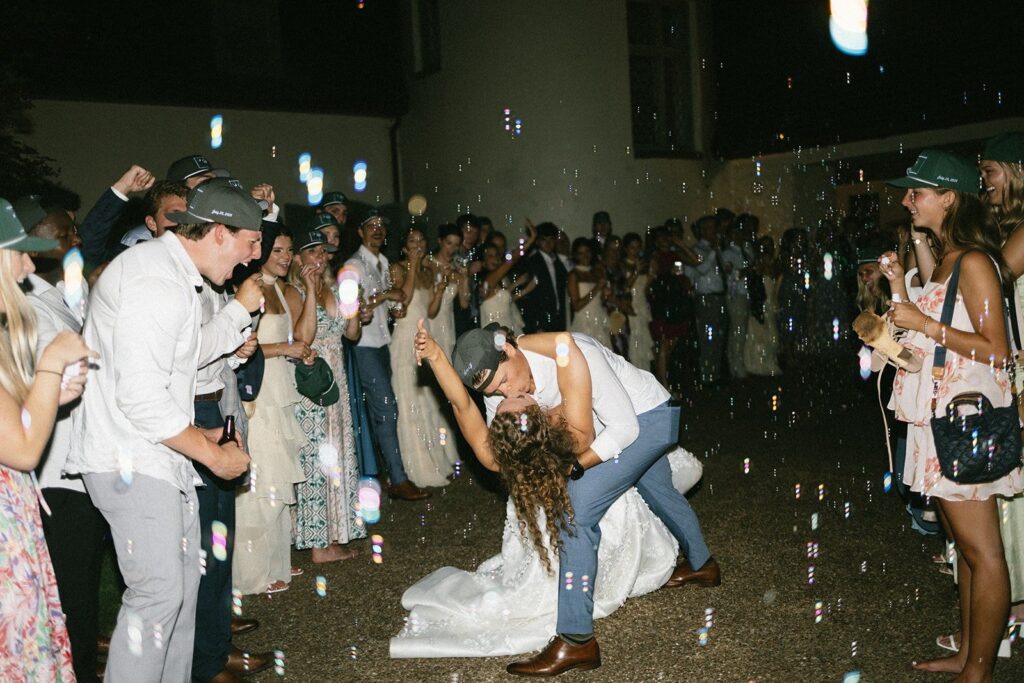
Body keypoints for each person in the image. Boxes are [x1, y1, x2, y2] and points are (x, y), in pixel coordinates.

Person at [394, 320, 701, 664]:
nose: (506, 395)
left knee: (575, 515)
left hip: (648, 416)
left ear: (509, 350)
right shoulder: (510, 402)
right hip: (609, 428)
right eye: (496, 392)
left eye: (506, 381)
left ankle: (576, 639)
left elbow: (625, 428)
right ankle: (703, 564)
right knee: (656, 488)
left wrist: (438, 354)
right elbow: (465, 406)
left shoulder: (571, 359)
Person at [64, 182, 258, 681]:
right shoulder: (154, 277)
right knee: (156, 595)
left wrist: (203, 441)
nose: (249, 258)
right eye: (248, 243)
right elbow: (141, 395)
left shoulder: (175, 275)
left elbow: (184, 358)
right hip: (127, 458)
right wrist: (214, 457)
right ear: (218, 232)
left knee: (181, 594)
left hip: (159, 458)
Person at [882, 149, 1023, 679]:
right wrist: (900, 293)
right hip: (939, 417)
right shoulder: (947, 258)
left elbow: (995, 348)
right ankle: (969, 651)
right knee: (963, 550)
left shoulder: (977, 261)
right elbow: (932, 325)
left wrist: (924, 321)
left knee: (983, 553)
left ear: (949, 197)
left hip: (966, 421)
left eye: (916, 191)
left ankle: (979, 671)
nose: (905, 200)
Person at [0, 199, 94, 681]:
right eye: (20, 253)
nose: (31, 265)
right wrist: (52, 364)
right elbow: (20, 448)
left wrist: (50, 394)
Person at [234, 226, 312, 595]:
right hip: (257, 395)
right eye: (277, 250)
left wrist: (296, 348)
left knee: (278, 475)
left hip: (281, 390)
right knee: (260, 478)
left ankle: (275, 560)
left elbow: (299, 337)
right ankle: (250, 573)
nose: (285, 257)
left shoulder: (280, 288)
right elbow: (237, 349)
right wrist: (284, 348)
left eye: (288, 250)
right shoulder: (251, 288)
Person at [290, 229, 368, 562]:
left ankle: (336, 531)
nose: (321, 259)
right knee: (315, 457)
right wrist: (309, 290)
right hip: (310, 383)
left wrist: (353, 309)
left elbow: (351, 334)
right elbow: (302, 337)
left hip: (337, 379)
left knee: (336, 455)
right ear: (298, 257)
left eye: (324, 252)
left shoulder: (334, 288)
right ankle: (317, 543)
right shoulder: (292, 292)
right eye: (313, 252)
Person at [344, 209, 430, 501]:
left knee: (382, 411)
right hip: (364, 345)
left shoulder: (381, 263)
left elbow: (396, 302)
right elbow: (349, 308)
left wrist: (391, 308)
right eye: (371, 226)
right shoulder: (354, 265)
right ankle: (398, 478)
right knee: (386, 407)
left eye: (381, 226)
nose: (378, 230)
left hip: (383, 341)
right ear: (360, 232)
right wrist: (379, 299)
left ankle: (384, 474)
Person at [388, 227, 459, 486]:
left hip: (423, 337)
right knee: (408, 402)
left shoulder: (429, 273)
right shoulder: (397, 269)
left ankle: (435, 459)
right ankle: (416, 468)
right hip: (404, 339)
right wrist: (413, 266)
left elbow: (430, 311)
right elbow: (402, 302)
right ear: (404, 246)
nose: (417, 244)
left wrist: (439, 291)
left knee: (427, 400)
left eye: (421, 239)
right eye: (412, 240)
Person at [685, 216, 727, 386]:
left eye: (714, 228)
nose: (713, 232)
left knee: (719, 337)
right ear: (701, 230)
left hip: (720, 296)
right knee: (707, 337)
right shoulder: (698, 249)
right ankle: (706, 374)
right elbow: (701, 269)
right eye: (708, 228)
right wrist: (713, 252)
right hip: (706, 298)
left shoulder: (715, 250)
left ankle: (715, 372)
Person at [479, 222, 535, 334]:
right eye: (490, 256)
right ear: (483, 262)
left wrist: (522, 288)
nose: (495, 259)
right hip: (495, 331)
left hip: (508, 326)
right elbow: (513, 259)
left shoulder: (501, 279)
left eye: (497, 255)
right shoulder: (489, 279)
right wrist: (531, 240)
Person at [428, 223, 471, 358]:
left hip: (446, 324)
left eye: (456, 245)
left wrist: (465, 278)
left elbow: (464, 303)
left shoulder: (457, 270)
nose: (452, 249)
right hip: (427, 319)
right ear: (440, 241)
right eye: (449, 243)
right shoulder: (426, 263)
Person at [518, 222, 569, 333]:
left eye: (551, 239)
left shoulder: (558, 263)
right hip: (540, 321)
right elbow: (529, 298)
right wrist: (535, 324)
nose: (548, 243)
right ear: (537, 241)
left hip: (558, 319)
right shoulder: (532, 262)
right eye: (544, 239)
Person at [743, 236, 782, 376]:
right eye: (764, 246)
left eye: (770, 245)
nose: (767, 249)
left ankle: (769, 361)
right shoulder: (756, 263)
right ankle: (757, 363)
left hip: (771, 301)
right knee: (759, 334)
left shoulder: (775, 263)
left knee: (772, 335)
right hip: (762, 302)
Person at [721, 221, 752, 379]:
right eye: (735, 233)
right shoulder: (728, 253)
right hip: (735, 294)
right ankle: (736, 365)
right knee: (737, 331)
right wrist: (749, 270)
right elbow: (731, 274)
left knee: (740, 330)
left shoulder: (746, 250)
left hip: (745, 294)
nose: (739, 236)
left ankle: (736, 363)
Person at [567, 237, 611, 347]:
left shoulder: (595, 273)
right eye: (581, 253)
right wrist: (597, 288)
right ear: (576, 255)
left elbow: (599, 301)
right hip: (584, 321)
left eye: (587, 251)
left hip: (599, 317)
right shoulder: (574, 275)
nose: (585, 255)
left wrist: (605, 295)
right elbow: (576, 305)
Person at [622, 232, 655, 373]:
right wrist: (635, 272)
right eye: (632, 248)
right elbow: (624, 288)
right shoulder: (622, 265)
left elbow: (644, 290)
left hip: (642, 307)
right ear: (626, 249)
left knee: (644, 345)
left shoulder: (644, 266)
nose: (635, 251)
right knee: (633, 345)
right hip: (630, 308)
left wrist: (652, 275)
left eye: (638, 248)